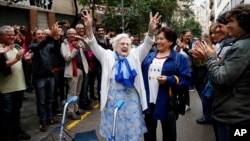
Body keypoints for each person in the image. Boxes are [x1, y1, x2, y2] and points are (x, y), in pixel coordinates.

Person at [81, 10, 161, 140]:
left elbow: (147, 43)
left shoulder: (135, 55)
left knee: (132, 133)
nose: (125, 46)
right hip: (112, 102)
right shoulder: (107, 55)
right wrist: (89, 28)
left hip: (132, 102)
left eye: (128, 44)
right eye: (122, 43)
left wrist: (151, 30)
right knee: (115, 131)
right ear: (115, 45)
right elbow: (93, 44)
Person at [192, 4, 250, 141]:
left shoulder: (242, 47)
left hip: (235, 119)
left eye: (231, 21)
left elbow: (221, 78)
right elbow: (228, 71)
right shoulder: (241, 44)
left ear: (243, 23)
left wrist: (210, 57)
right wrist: (207, 58)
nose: (227, 25)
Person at [142, 27, 191, 141]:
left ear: (170, 41)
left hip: (168, 103)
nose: (158, 41)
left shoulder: (180, 58)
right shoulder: (149, 56)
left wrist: (169, 80)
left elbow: (186, 80)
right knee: (148, 135)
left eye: (161, 39)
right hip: (149, 103)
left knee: (169, 135)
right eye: (157, 38)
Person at [0, 25, 31, 141]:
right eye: (9, 35)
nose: (12, 36)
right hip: (6, 88)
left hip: (19, 85)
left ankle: (17, 133)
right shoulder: (0, 49)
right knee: (6, 114)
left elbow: (23, 65)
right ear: (1, 36)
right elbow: (1, 67)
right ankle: (6, 136)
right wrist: (17, 59)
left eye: (13, 34)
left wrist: (27, 60)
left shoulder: (17, 47)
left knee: (16, 112)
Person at [29, 25, 61, 132]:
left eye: (42, 34)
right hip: (39, 78)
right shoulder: (32, 45)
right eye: (38, 34)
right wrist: (50, 36)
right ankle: (42, 122)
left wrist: (56, 39)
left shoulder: (47, 45)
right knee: (41, 101)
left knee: (49, 99)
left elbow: (56, 49)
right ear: (34, 37)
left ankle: (49, 118)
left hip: (50, 76)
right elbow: (38, 47)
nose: (41, 35)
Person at [60, 28, 87, 120]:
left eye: (74, 33)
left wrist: (83, 39)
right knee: (72, 92)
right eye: (70, 33)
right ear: (67, 35)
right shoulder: (64, 45)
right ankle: (70, 112)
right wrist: (75, 49)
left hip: (80, 69)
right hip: (72, 70)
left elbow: (87, 48)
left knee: (77, 92)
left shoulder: (79, 42)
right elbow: (67, 58)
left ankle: (76, 108)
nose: (72, 35)